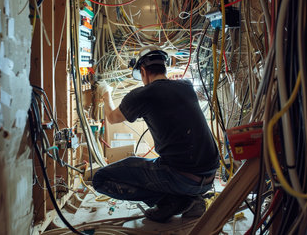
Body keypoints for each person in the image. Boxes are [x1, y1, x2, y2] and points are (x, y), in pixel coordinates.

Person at [93, 46, 220, 223]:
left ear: (143, 71)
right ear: (164, 67)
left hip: (182, 178)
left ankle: (172, 201)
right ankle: (191, 200)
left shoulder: (142, 94)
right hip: (209, 178)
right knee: (149, 164)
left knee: (100, 179)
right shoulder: (187, 86)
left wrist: (106, 93)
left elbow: (113, 117)